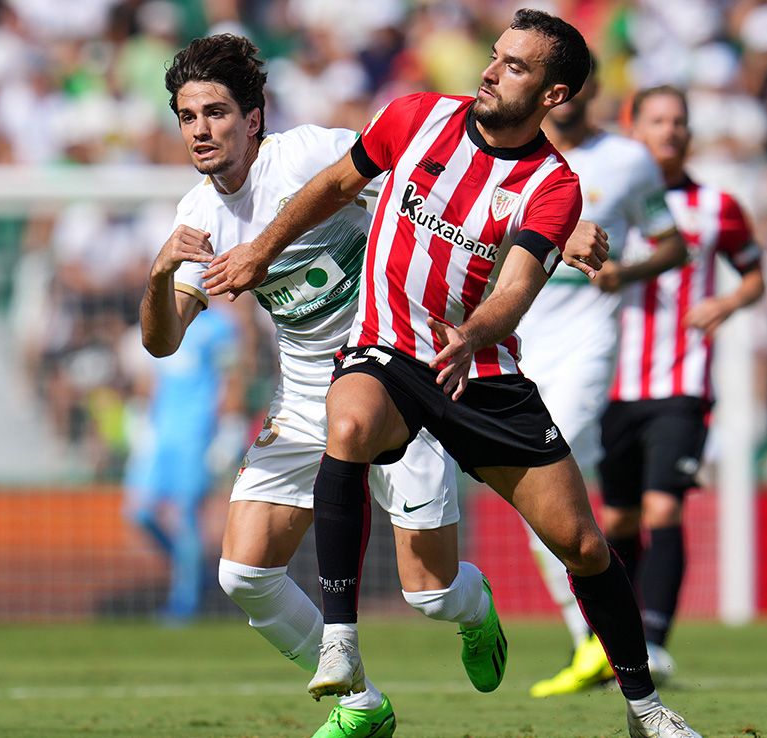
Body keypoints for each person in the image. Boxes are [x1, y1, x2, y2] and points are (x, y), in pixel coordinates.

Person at [204, 10, 701, 738]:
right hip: (386, 348)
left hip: (478, 368)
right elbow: (336, 187)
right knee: (349, 422)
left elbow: (517, 289)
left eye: (517, 66)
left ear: (554, 94)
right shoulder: (414, 117)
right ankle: (339, 643)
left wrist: (472, 336)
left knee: (584, 546)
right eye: (495, 56)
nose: (492, 71)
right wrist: (259, 249)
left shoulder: (554, 185)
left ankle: (646, 709)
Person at [140, 33, 575, 738]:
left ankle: (475, 607)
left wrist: (555, 229)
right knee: (242, 576)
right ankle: (362, 703)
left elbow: (443, 184)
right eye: (187, 117)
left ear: (253, 119)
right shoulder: (199, 217)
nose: (200, 130)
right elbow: (161, 341)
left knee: (429, 595)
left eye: (216, 113)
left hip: (400, 374)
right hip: (309, 399)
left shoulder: (311, 154)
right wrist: (159, 276)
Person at [519, 60, 689, 698]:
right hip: (519, 337)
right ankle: (595, 641)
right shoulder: (509, 157)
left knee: (539, 471)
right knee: (549, 499)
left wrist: (626, 272)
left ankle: (592, 639)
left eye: (573, 86)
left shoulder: (627, 160)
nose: (563, 98)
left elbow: (671, 243)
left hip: (590, 336)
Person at [597, 84, 766, 684]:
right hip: (610, 386)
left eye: (679, 122)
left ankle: (656, 640)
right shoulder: (606, 197)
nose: (670, 131)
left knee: (663, 507)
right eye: (658, 121)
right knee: (616, 522)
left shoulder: (718, 206)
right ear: (633, 129)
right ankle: (613, 642)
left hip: (682, 383)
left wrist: (726, 304)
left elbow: (754, 275)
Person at [124, 304, 246, 622]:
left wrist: (228, 430)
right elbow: (150, 375)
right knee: (140, 512)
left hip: (197, 433)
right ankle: (195, 571)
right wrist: (140, 418)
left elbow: (232, 378)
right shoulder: (162, 316)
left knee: (188, 515)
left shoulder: (220, 326)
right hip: (160, 432)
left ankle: (185, 603)